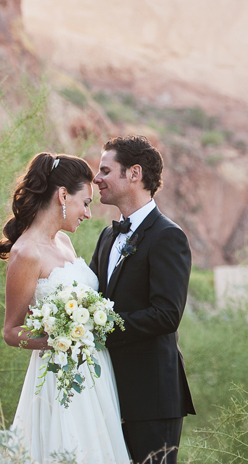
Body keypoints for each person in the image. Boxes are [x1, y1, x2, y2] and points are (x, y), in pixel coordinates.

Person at [0, 152, 131, 464]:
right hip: (58, 378)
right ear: (62, 195)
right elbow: (10, 331)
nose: (87, 213)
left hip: (94, 373)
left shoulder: (65, 243)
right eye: (85, 202)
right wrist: (57, 340)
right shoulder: (25, 254)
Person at [92, 135, 196, 464]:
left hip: (152, 396)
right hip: (108, 391)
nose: (97, 179)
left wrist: (102, 328)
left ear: (133, 173)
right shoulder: (108, 236)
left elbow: (167, 314)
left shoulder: (168, 236)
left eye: (105, 170)